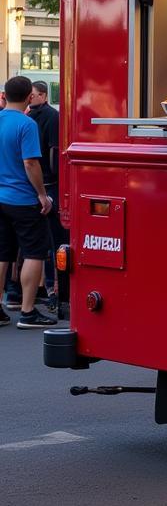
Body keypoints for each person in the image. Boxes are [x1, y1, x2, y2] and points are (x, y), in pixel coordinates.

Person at [0, 77, 56, 329]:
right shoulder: (27, 124)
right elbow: (30, 163)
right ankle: (28, 311)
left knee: (2, 254)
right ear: (29, 97)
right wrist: (42, 195)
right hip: (23, 200)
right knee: (34, 253)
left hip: (0, 198)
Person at [28, 81, 61, 307]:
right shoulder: (43, 116)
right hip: (45, 182)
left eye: (33, 95)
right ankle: (50, 290)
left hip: (40, 181)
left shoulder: (41, 116)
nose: (30, 99)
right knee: (50, 239)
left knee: (41, 240)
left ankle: (47, 289)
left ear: (43, 95)